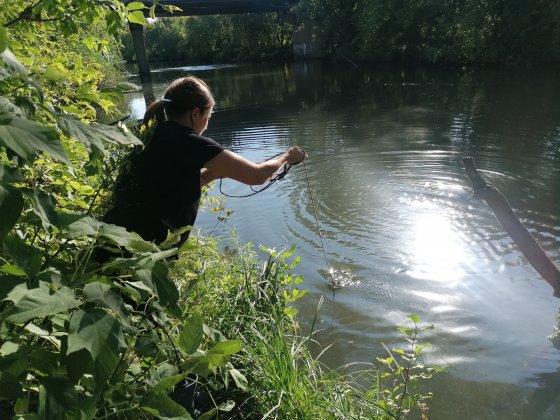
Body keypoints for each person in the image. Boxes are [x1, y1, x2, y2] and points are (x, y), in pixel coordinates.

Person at [102, 76, 306, 251]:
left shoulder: (151, 134)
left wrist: (213, 174)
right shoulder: (190, 141)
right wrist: (288, 156)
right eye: (209, 116)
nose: (208, 123)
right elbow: (257, 176)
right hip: (143, 249)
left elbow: (170, 188)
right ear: (196, 113)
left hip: (113, 236)